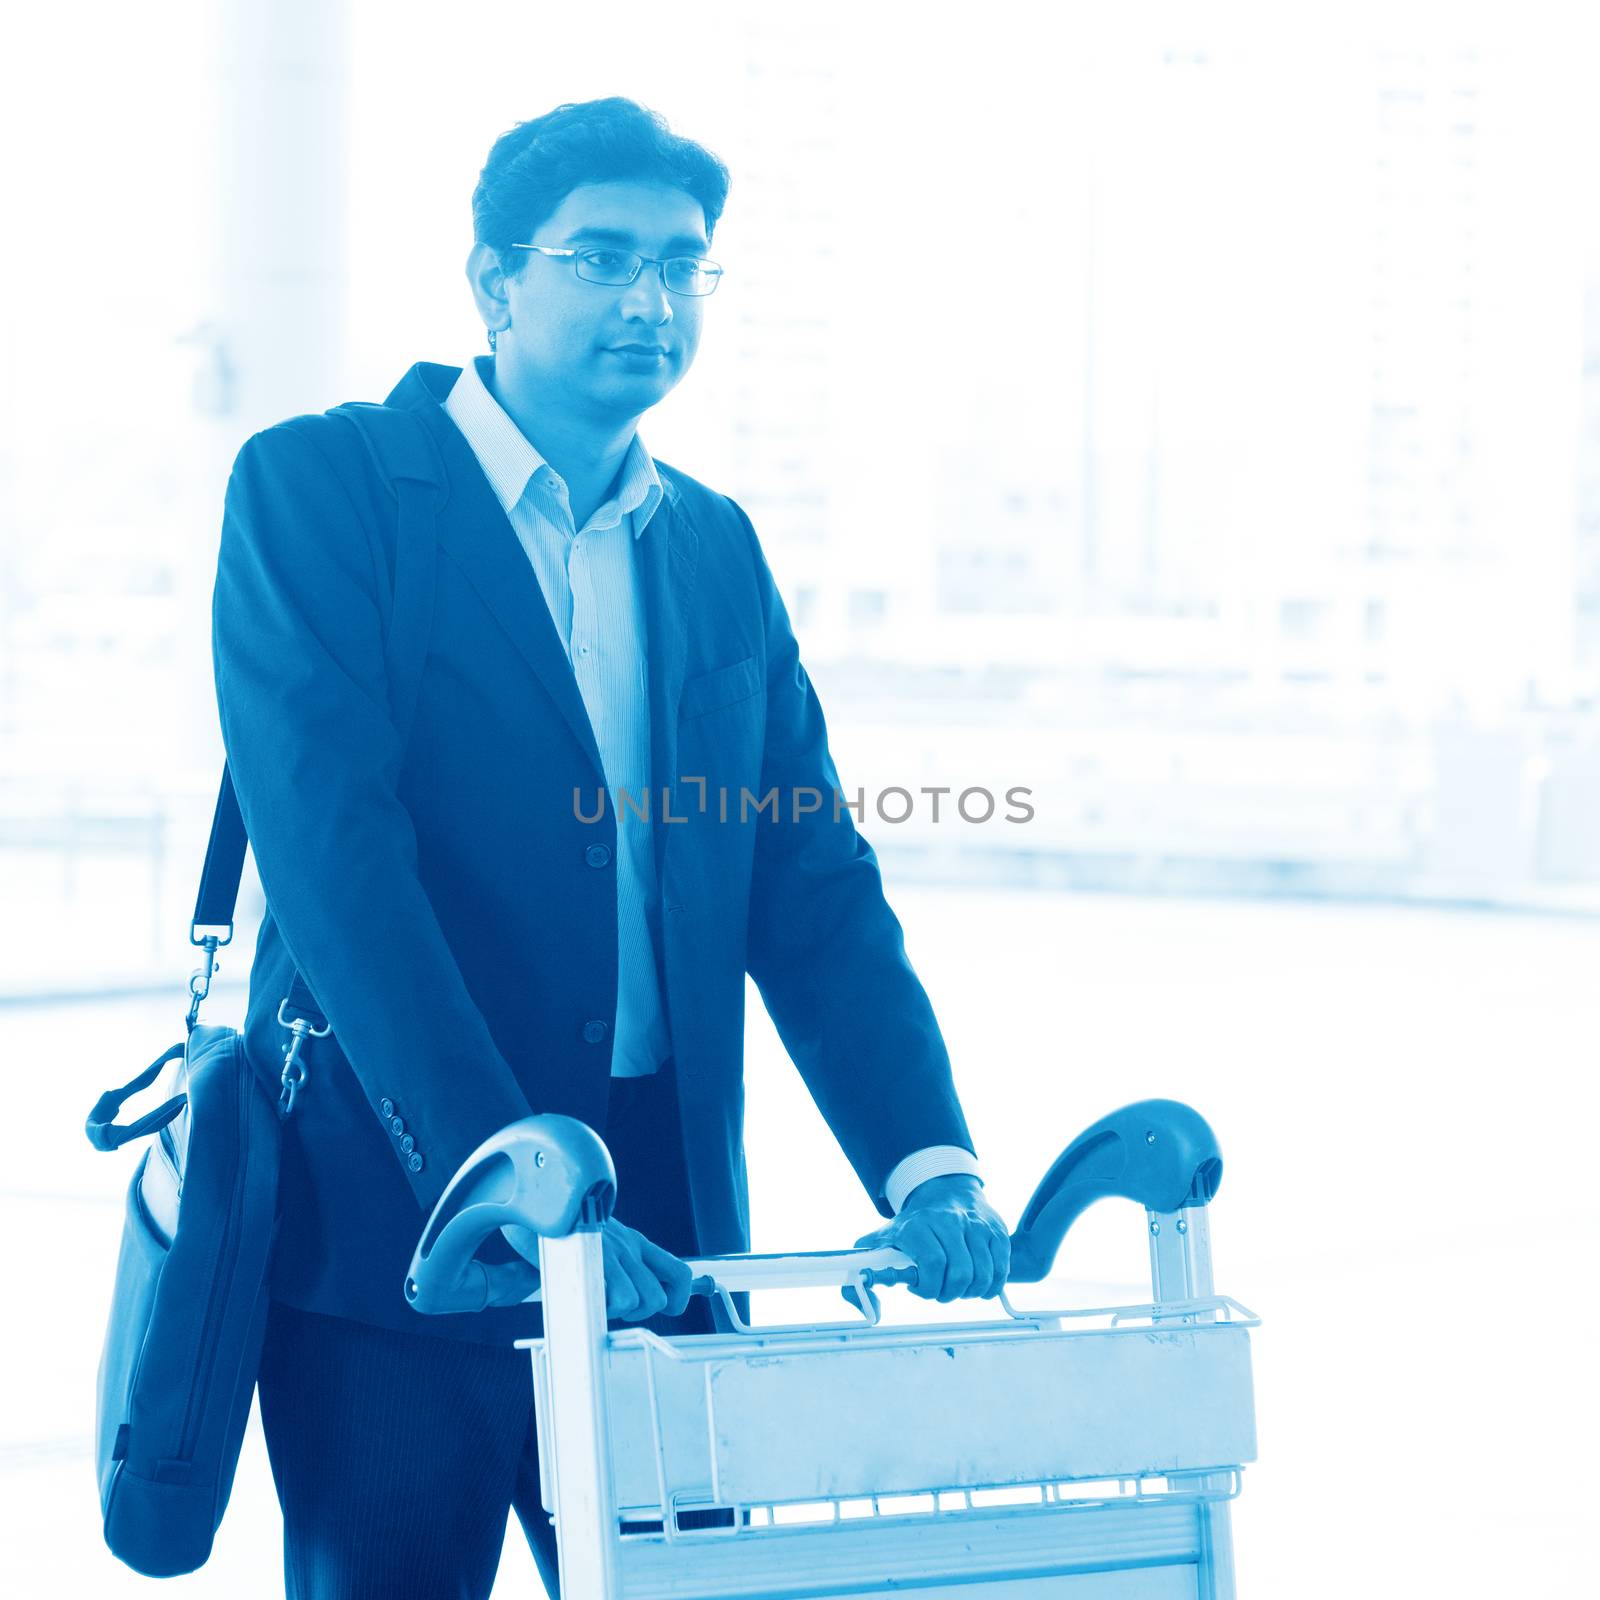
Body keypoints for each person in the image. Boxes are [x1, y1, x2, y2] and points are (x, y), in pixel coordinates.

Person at [212, 96, 1010, 1599]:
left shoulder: (711, 544)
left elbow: (814, 884)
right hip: (410, 1213)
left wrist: (929, 1163)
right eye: (601, 258)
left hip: (669, 1223)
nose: (651, 300)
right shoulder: (323, 489)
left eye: (684, 265)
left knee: (692, 1589)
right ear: (493, 280)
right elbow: (337, 872)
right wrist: (499, 1165)